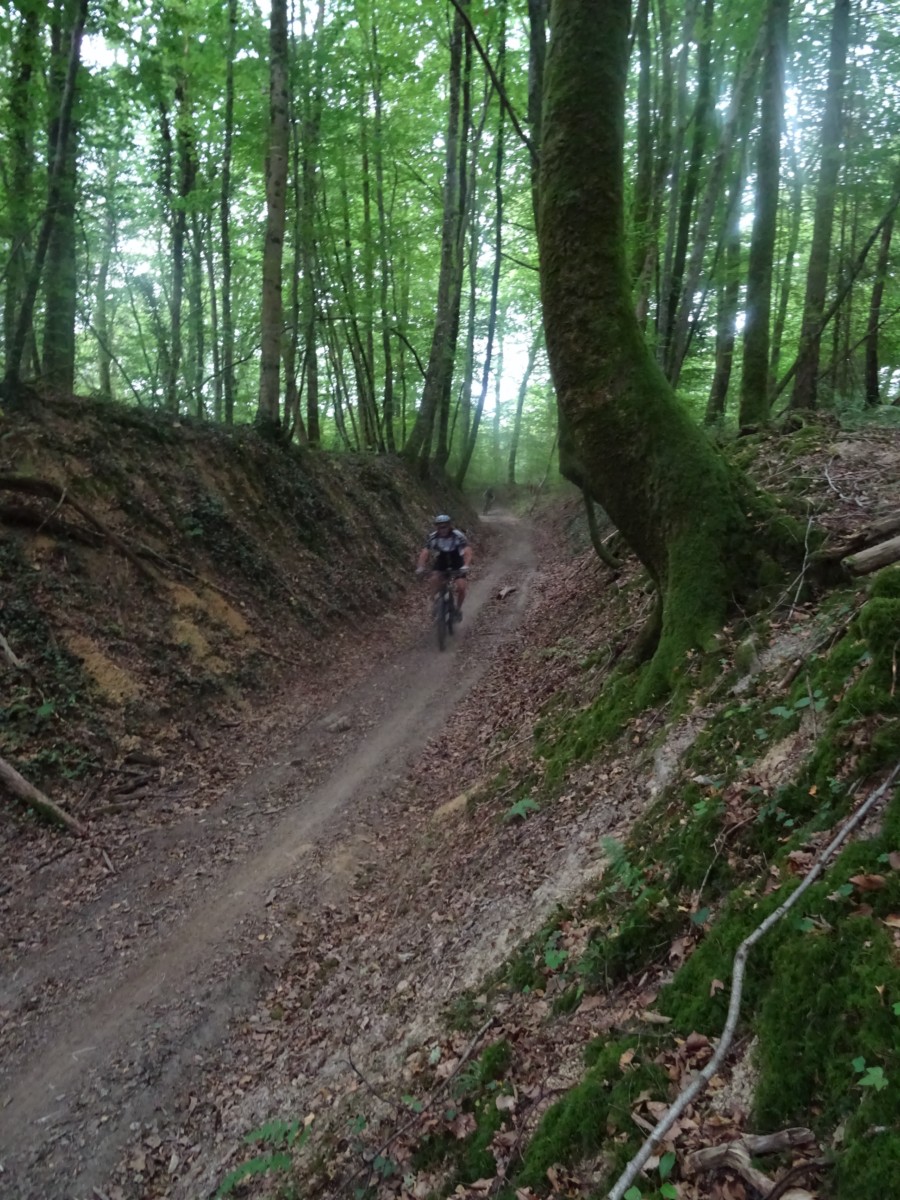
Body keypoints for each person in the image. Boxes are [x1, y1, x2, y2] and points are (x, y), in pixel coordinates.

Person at [416, 514, 472, 618]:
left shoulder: (457, 535)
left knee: (461, 587)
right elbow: (425, 552)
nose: (442, 529)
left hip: (456, 560)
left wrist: (466, 565)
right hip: (442, 560)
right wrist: (421, 566)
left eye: (445, 526)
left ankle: (458, 609)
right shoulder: (433, 536)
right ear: (436, 527)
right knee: (434, 579)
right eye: (440, 527)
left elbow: (467, 550)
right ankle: (435, 602)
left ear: (449, 526)